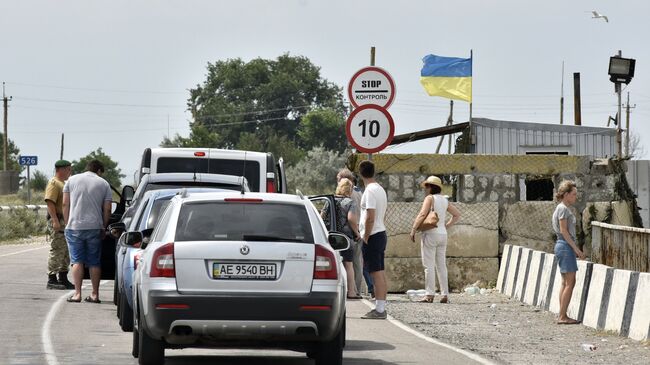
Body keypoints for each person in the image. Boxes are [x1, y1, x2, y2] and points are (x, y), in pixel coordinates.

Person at [63, 159, 112, 303]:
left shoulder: (71, 180)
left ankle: (77, 294)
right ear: (98, 171)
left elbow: (65, 203)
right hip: (94, 227)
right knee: (94, 262)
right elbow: (107, 209)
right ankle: (95, 294)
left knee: (77, 260)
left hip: (74, 226)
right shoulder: (103, 184)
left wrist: (67, 223)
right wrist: (103, 226)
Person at [409, 176, 461, 303]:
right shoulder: (444, 200)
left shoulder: (429, 198)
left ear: (431, 187)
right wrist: (446, 226)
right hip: (442, 235)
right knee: (441, 265)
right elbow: (457, 215)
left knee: (429, 265)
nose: (425, 189)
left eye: (426, 186)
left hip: (430, 234)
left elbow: (422, 214)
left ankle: (429, 294)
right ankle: (445, 294)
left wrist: (414, 229)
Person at [358, 160, 389, 319]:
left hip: (373, 234)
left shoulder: (369, 191)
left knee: (375, 273)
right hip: (381, 232)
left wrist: (366, 236)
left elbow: (370, 216)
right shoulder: (380, 189)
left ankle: (380, 310)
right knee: (379, 272)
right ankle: (381, 306)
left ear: (360, 173)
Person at [552, 180, 585, 325]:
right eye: (573, 194)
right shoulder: (563, 209)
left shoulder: (561, 208)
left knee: (565, 282)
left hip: (562, 245)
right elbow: (564, 231)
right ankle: (562, 316)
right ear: (565, 195)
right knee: (570, 282)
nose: (575, 197)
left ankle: (562, 313)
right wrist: (576, 249)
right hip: (565, 246)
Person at [336, 168, 368, 297]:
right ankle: (354, 291)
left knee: (350, 264)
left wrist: (356, 232)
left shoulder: (349, 196)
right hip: (357, 230)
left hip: (351, 233)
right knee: (356, 263)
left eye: (338, 179)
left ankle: (352, 290)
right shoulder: (359, 192)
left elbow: (351, 218)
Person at [44, 160, 74, 290]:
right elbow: (50, 202)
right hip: (58, 220)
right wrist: (55, 220)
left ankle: (63, 277)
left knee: (65, 251)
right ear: (61, 169)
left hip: (65, 221)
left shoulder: (63, 184)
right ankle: (52, 279)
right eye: (68, 169)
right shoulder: (54, 183)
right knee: (57, 250)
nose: (70, 172)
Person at [334, 178, 362, 299]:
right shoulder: (350, 202)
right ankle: (351, 292)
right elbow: (351, 219)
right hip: (345, 238)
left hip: (332, 237)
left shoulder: (331, 200)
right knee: (348, 265)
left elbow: (322, 215)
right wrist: (357, 232)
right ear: (349, 189)